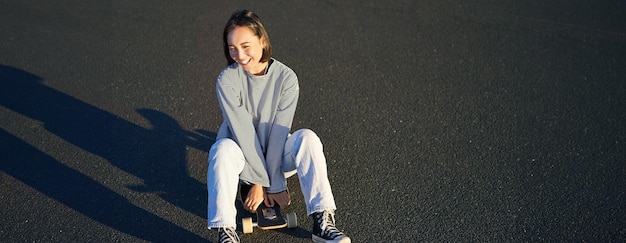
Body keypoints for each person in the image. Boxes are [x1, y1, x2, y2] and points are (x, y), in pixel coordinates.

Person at [206, 10, 351, 243]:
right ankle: (226, 231)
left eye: (246, 46)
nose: (239, 55)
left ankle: (322, 222)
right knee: (221, 148)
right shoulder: (227, 80)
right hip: (241, 158)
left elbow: (278, 133)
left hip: (277, 157)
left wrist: (274, 183)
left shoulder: (286, 78)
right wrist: (258, 183)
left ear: (262, 42)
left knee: (308, 138)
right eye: (232, 48)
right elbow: (244, 135)